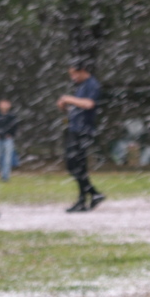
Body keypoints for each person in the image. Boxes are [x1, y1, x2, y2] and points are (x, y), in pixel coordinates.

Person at [57, 60, 105, 213]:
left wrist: (69, 99)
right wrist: (66, 107)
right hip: (75, 129)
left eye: (74, 74)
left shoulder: (92, 84)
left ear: (83, 70)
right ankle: (89, 196)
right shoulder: (81, 86)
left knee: (75, 165)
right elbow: (78, 108)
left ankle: (88, 197)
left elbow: (89, 104)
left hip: (83, 131)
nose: (72, 77)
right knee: (76, 166)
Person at [0, 98, 19, 182]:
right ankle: (1, 171)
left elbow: (15, 127)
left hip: (8, 140)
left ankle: (5, 177)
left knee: (7, 159)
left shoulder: (12, 116)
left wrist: (10, 134)